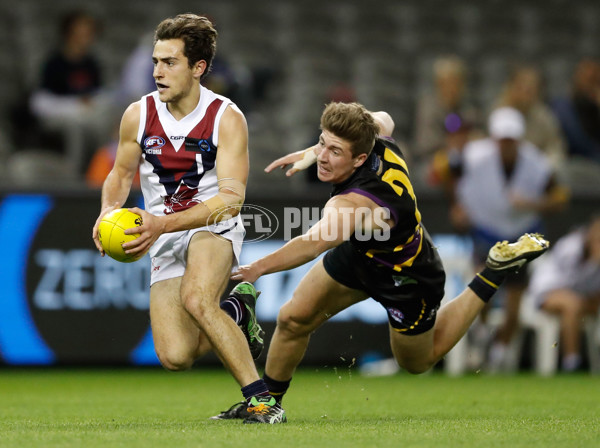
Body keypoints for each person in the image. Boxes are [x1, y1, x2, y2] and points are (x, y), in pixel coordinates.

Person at [211, 102, 549, 420]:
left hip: (407, 276)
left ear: (359, 159)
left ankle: (491, 272)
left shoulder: (353, 203)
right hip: (364, 255)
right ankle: (266, 406)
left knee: (418, 362)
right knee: (293, 319)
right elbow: (384, 117)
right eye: (322, 144)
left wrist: (256, 268)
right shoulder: (377, 139)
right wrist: (314, 152)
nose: (324, 157)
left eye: (334, 152)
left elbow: (312, 243)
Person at [91, 14, 285, 424]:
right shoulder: (137, 115)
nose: (157, 72)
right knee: (175, 356)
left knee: (197, 298)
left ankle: (262, 402)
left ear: (198, 68)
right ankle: (236, 312)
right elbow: (121, 174)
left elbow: (231, 199)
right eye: (156, 61)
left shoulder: (225, 117)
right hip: (160, 231)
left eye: (169, 62)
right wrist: (109, 210)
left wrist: (163, 223)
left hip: (211, 223)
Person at [452, 106, 569, 371]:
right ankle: (481, 335)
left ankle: (499, 354)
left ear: (518, 139)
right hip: (485, 231)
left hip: (519, 236)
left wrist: (532, 203)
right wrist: (458, 205)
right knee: (480, 287)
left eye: (511, 140)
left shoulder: (537, 163)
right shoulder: (474, 155)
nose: (506, 145)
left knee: (514, 306)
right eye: (501, 139)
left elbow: (560, 198)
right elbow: (448, 173)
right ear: (493, 139)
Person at [29, 10, 114, 176]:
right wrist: (75, 106)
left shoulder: (91, 64)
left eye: (89, 33)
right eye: (81, 32)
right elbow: (41, 102)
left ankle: (101, 172)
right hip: (60, 115)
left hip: (87, 114)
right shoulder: (54, 63)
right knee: (77, 129)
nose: (86, 37)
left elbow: (98, 95)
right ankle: (75, 177)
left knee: (106, 122)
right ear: (69, 33)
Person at [526, 216, 600, 372]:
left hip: (580, 297)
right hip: (547, 292)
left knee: (577, 302)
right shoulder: (570, 246)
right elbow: (569, 283)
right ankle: (571, 363)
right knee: (572, 303)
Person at [493, 65, 567, 172]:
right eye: (521, 86)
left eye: (530, 88)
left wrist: (546, 167)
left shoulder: (544, 116)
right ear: (511, 87)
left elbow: (555, 148)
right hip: (503, 169)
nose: (525, 92)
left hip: (536, 172)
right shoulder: (498, 112)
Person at [551, 58, 600, 164]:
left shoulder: (596, 106)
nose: (589, 85)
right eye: (586, 78)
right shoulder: (562, 107)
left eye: (593, 80)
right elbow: (575, 142)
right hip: (573, 162)